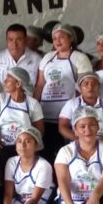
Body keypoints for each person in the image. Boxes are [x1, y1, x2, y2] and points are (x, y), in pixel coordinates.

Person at [35, 23, 93, 155]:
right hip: (47, 113)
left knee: (70, 152)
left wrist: (80, 111)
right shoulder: (47, 57)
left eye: (61, 37)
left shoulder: (79, 58)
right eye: (55, 38)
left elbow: (85, 87)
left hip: (69, 115)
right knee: (49, 151)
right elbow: (40, 84)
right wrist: (33, 106)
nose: (58, 41)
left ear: (70, 38)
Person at [0, 67, 44, 169]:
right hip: (1, 146)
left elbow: (39, 130)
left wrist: (29, 147)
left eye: (8, 79)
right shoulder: (0, 98)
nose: (4, 81)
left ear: (18, 84)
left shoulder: (33, 104)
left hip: (22, 148)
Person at [59, 72, 103, 144]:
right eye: (86, 84)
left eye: (94, 84)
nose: (90, 87)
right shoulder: (71, 104)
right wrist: (79, 140)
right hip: (79, 142)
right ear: (80, 87)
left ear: (99, 86)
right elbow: (62, 127)